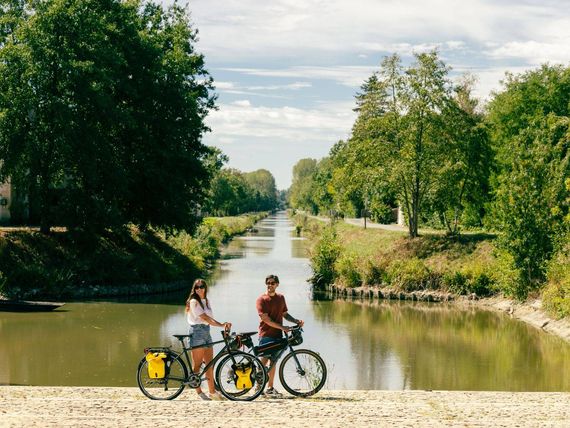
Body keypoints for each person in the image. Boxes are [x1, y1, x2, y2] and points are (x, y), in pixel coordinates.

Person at [255, 274, 304, 396]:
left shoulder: (281, 298)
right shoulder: (261, 299)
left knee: (274, 361)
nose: (270, 285)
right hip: (266, 334)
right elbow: (266, 319)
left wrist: (296, 321)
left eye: (272, 283)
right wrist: (282, 327)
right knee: (264, 360)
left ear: (277, 284)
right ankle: (258, 387)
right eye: (268, 283)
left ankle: (270, 388)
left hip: (278, 335)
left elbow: (285, 314)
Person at [185, 278, 231, 401]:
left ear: (206, 288)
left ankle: (212, 391)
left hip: (206, 331)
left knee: (210, 364)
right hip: (197, 332)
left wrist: (221, 324)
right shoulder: (194, 301)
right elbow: (204, 317)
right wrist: (221, 325)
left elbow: (209, 319)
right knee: (197, 365)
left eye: (201, 287)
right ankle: (199, 392)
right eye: (197, 287)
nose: (199, 289)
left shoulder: (206, 301)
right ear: (194, 289)